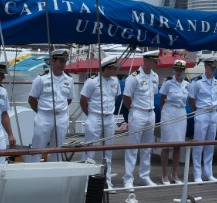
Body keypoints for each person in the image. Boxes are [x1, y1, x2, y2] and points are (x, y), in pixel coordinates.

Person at [79, 55, 121, 188]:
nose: (116, 69)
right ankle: (85, 182)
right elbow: (83, 101)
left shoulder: (116, 81)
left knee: (108, 151)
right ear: (107, 68)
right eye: (114, 67)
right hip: (95, 117)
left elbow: (114, 98)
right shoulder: (92, 82)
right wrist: (91, 115)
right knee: (89, 151)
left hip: (109, 117)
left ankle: (107, 181)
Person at [122, 50, 160, 189]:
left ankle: (144, 176)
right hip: (138, 112)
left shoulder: (155, 76)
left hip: (150, 113)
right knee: (133, 147)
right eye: (154, 61)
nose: (156, 64)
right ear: (147, 60)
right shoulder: (134, 77)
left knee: (147, 147)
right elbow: (126, 97)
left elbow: (154, 94)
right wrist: (134, 109)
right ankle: (128, 178)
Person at [28, 49, 74, 163]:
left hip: (61, 117)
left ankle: (56, 176)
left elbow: (69, 98)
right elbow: (32, 99)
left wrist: (59, 110)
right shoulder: (41, 79)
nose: (63, 64)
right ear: (53, 61)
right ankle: (32, 175)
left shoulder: (69, 79)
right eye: (60, 61)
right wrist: (42, 112)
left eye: (65, 61)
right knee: (37, 148)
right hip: (44, 116)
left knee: (58, 150)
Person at [188, 57, 217, 182]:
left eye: (215, 68)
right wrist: (197, 111)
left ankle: (208, 173)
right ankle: (197, 174)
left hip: (213, 114)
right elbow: (191, 100)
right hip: (202, 113)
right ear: (206, 67)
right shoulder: (197, 82)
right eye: (211, 67)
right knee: (199, 144)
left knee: (210, 144)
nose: (213, 70)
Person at [159, 60, 190, 185]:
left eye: (180, 70)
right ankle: (165, 174)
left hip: (181, 113)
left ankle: (175, 174)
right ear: (174, 70)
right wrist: (165, 114)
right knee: (166, 144)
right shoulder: (167, 83)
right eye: (176, 69)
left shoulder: (187, 84)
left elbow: (189, 99)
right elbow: (162, 100)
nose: (178, 72)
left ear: (183, 71)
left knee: (178, 144)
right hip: (168, 112)